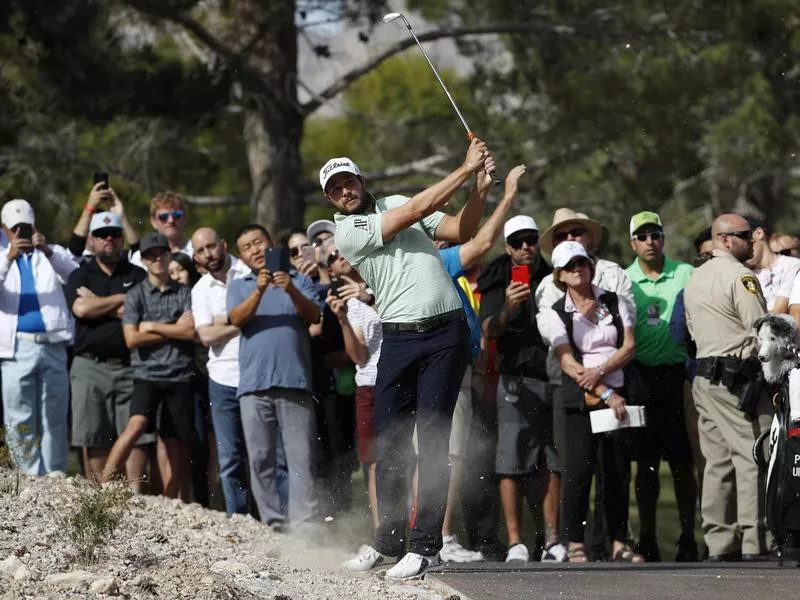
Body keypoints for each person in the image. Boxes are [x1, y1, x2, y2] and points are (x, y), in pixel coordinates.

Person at [327, 137, 495, 579]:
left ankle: (425, 546)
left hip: (446, 332)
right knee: (390, 442)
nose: (345, 191)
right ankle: (386, 543)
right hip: (398, 338)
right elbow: (416, 212)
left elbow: (461, 230)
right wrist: (463, 169)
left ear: (362, 181)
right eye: (336, 188)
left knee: (433, 438)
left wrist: (479, 187)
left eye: (350, 182)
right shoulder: (345, 231)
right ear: (331, 198)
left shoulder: (397, 199)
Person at [430, 165, 528, 564]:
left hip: (462, 367)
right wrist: (502, 194)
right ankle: (442, 537)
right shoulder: (437, 264)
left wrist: (482, 186)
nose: (450, 241)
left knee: (450, 454)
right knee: (448, 455)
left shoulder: (454, 275)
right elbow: (483, 238)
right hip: (448, 367)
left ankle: (439, 535)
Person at [535, 207, 634, 560]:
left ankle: (617, 541)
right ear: (560, 275)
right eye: (570, 267)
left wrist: (606, 374)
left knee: (617, 471)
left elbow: (629, 344)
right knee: (577, 470)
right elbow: (567, 360)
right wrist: (602, 388)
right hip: (579, 398)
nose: (578, 270)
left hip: (618, 391)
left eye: (582, 263)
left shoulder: (614, 299)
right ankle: (574, 541)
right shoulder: (553, 310)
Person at [683, 214, 772, 561]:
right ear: (725, 240)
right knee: (753, 455)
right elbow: (760, 329)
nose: (752, 242)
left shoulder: (695, 276)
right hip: (737, 378)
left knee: (717, 461)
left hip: (704, 378)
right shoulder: (741, 276)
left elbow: (691, 329)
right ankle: (756, 540)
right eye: (745, 236)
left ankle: (720, 542)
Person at [479, 207, 564, 563]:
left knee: (551, 461)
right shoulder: (497, 276)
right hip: (514, 377)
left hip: (553, 375)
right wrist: (509, 309)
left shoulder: (553, 275)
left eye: (532, 241)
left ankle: (552, 540)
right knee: (510, 461)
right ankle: (516, 541)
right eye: (518, 243)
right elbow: (488, 331)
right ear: (508, 247)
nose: (526, 248)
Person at [227, 224, 321, 531]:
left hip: (294, 381)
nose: (254, 250)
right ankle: (273, 523)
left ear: (271, 245)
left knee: (300, 459)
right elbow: (237, 319)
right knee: (260, 460)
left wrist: (290, 288)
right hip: (253, 386)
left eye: (258, 243)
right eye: (246, 247)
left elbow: (314, 316)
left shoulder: (301, 280)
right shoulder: (239, 285)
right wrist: (260, 289)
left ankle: (304, 525)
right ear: (241, 255)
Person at [624, 211, 698, 562]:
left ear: (663, 239)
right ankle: (648, 537)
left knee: (683, 462)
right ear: (632, 243)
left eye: (656, 234)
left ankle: (688, 536)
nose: (650, 241)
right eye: (643, 236)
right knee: (646, 463)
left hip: (678, 376)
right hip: (640, 377)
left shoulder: (685, 273)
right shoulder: (626, 280)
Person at [101, 233, 196, 497]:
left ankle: (170, 500)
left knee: (177, 440)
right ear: (143, 260)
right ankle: (101, 486)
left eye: (161, 253)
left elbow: (190, 333)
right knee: (135, 426)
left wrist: (152, 327)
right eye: (150, 255)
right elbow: (132, 338)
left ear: (169, 254)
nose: (157, 259)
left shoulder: (185, 292)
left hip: (179, 374)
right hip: (147, 374)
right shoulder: (135, 295)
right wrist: (173, 329)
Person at [65, 212, 151, 486]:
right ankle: (100, 497)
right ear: (91, 240)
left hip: (131, 364)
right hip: (89, 365)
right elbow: (80, 308)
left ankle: (135, 497)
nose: (109, 239)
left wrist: (99, 304)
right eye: (102, 235)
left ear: (122, 238)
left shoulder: (138, 274)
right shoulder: (80, 274)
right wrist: (123, 299)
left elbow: (143, 315)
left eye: (114, 234)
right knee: (94, 434)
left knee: (135, 435)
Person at [0, 199, 78, 475]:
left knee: (55, 414)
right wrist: (9, 257)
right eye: (15, 228)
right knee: (19, 415)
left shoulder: (52, 253)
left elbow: (75, 274)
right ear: (4, 229)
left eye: (25, 227)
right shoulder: (1, 256)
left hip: (53, 344)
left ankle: (55, 472)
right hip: (16, 348)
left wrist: (45, 249)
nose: (20, 232)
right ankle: (28, 474)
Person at [191, 227, 251, 515]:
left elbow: (258, 315)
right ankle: (238, 520)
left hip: (256, 374)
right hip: (221, 378)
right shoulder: (200, 289)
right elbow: (206, 337)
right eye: (201, 251)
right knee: (229, 458)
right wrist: (241, 320)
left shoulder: (248, 271)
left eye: (212, 247)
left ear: (224, 244)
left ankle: (272, 520)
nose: (208, 254)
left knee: (262, 455)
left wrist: (221, 322)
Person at [325, 242, 382, 530]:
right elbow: (359, 356)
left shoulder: (383, 278)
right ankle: (381, 531)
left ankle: (417, 530)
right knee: (373, 462)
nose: (340, 256)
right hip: (369, 386)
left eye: (342, 249)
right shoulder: (350, 305)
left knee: (410, 460)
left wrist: (369, 295)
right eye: (332, 256)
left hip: (400, 380)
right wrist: (343, 320)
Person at [168, 251, 216, 505]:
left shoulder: (204, 291)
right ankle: (200, 501)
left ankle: (216, 497)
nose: (175, 276)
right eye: (171, 271)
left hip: (213, 373)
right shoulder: (171, 298)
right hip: (189, 377)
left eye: (180, 270)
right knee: (196, 442)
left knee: (215, 441)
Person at [70, 182, 140, 261]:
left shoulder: (123, 260)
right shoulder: (78, 264)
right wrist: (89, 209)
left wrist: (122, 216)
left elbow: (138, 254)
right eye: (101, 233)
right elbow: (73, 251)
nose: (108, 238)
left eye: (113, 233)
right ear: (90, 237)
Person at [746, 219, 800, 314]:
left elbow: (779, 311)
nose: (744, 247)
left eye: (746, 239)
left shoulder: (791, 265)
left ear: (759, 233)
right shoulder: (745, 274)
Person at [130, 192, 193, 268]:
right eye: (164, 217)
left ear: (185, 218)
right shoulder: (140, 257)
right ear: (153, 222)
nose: (171, 220)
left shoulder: (199, 251)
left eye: (177, 215)